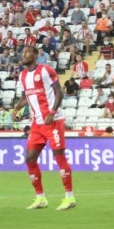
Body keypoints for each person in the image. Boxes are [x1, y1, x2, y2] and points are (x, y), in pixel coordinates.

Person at [12, 46, 75, 211]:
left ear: (34, 55)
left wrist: (53, 112)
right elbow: (26, 96)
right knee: (30, 159)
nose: (23, 55)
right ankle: (40, 198)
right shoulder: (23, 75)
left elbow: (59, 92)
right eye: (22, 52)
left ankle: (69, 197)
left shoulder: (46, 70)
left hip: (52, 121)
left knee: (59, 156)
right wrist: (16, 109)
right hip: (36, 124)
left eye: (26, 52)